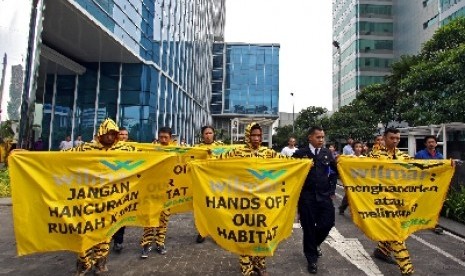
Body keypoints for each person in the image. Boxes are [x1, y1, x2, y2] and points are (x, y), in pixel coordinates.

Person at [64, 118, 137, 276]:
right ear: (100, 134)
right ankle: (83, 263)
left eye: (113, 134)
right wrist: (27, 155)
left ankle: (100, 263)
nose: (110, 137)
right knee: (84, 232)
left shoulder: (125, 149)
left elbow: (150, 156)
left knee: (105, 234)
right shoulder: (86, 148)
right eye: (108, 134)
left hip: (111, 201)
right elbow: (60, 157)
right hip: (88, 200)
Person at [220, 122, 283, 276]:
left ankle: (260, 264)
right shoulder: (237, 152)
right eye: (253, 135)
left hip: (262, 202)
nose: (256, 138)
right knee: (245, 234)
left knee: (261, 233)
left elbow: (286, 163)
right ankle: (246, 266)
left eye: (259, 135)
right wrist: (197, 163)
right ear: (248, 136)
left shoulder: (268, 152)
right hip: (243, 201)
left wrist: (305, 163)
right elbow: (216, 162)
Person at [292, 126, 337, 274]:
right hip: (307, 198)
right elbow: (292, 174)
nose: (321, 140)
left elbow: (334, 172)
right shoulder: (300, 154)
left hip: (324, 196)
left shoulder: (327, 153)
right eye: (318, 137)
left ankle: (314, 244)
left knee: (328, 222)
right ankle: (312, 259)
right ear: (310, 137)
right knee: (309, 228)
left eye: (323, 137)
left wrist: (332, 189)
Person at [370, 128, 414, 276]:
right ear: (384, 138)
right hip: (383, 199)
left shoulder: (404, 156)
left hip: (401, 199)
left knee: (398, 227)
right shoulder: (375, 155)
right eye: (392, 138)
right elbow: (360, 166)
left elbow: (419, 168)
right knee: (396, 231)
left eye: (397, 138)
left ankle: (382, 250)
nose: (395, 141)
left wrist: (446, 165)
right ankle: (406, 268)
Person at [140, 127, 172, 258]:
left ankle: (160, 242)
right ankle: (146, 244)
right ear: (158, 137)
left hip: (167, 191)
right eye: (161, 137)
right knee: (149, 217)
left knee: (163, 219)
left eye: (166, 137)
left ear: (171, 138)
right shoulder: (151, 149)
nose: (163, 140)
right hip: (151, 190)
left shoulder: (176, 150)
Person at [194, 125, 224, 243]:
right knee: (202, 208)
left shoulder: (220, 147)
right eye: (206, 133)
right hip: (202, 183)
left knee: (217, 208)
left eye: (210, 133)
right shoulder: (197, 148)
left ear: (213, 134)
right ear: (202, 135)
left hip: (217, 183)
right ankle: (202, 232)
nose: (208, 135)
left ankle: (217, 233)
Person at [414, 135, 444, 235]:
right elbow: (415, 168)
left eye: (433, 142)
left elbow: (443, 168)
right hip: (422, 183)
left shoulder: (440, 156)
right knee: (422, 202)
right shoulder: (420, 154)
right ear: (425, 144)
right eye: (429, 142)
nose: (431, 144)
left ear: (436, 143)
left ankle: (433, 223)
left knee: (434, 203)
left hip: (435, 184)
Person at [112, 127, 130, 253]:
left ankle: (118, 241)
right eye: (121, 134)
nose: (123, 136)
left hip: (124, 188)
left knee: (121, 215)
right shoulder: (110, 149)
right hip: (110, 187)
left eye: (126, 134)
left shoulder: (131, 148)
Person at [339, 141, 365, 215]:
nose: (358, 148)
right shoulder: (349, 158)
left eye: (360, 147)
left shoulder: (365, 158)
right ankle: (342, 208)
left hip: (361, 179)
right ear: (353, 148)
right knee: (348, 195)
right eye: (356, 147)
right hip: (351, 179)